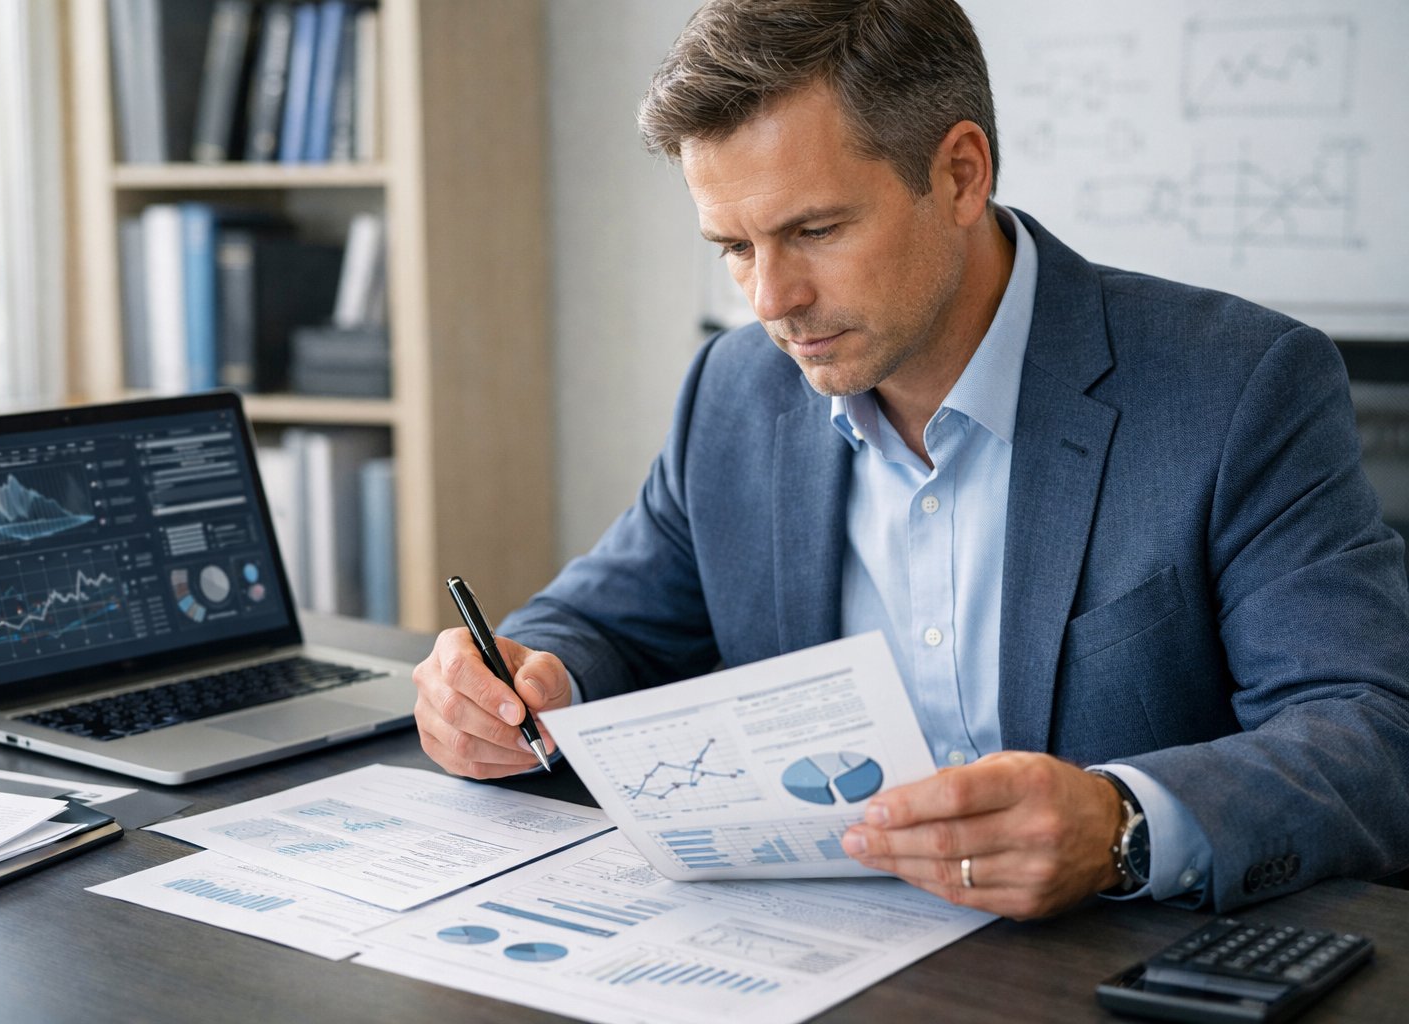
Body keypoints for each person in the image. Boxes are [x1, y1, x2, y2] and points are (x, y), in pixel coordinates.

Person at [412, 0, 1409, 919]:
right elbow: (597, 625)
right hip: (813, 956)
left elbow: (1369, 731)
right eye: (733, 246)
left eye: (814, 230)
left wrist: (1121, 823)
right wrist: (517, 683)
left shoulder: (1239, 387)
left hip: (1100, 963)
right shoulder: (734, 390)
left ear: (961, 174)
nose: (770, 300)